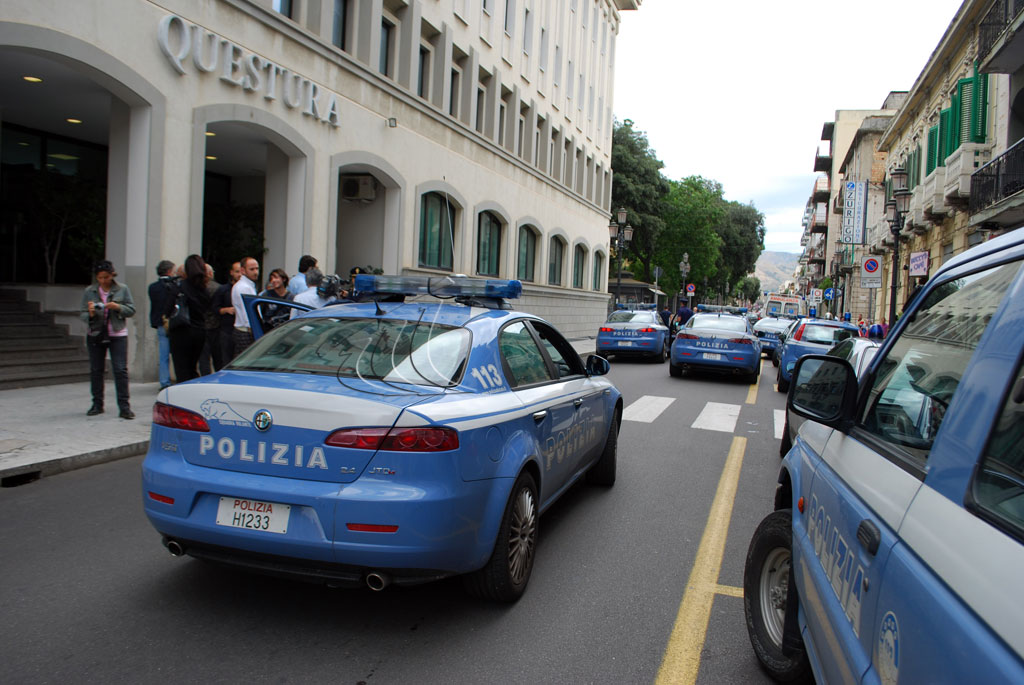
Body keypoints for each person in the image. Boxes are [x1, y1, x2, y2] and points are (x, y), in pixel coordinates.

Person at [80, 260, 136, 419]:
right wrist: (90, 314)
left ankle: (124, 407)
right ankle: (97, 404)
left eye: (106, 277)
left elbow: (131, 310)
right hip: (95, 333)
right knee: (96, 370)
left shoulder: (122, 289)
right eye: (100, 277)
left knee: (120, 370)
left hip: (117, 333)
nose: (103, 280)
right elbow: (82, 313)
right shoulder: (90, 291)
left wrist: (117, 307)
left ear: (112, 275)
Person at [165, 254, 213, 383]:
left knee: (181, 369)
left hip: (181, 331)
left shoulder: (179, 287)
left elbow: (167, 309)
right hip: (199, 332)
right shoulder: (205, 290)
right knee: (192, 367)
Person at [147, 259, 175, 389]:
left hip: (159, 322)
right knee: (176, 353)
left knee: (163, 354)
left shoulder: (153, 287)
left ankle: (164, 381)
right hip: (173, 322)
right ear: (169, 271)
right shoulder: (173, 286)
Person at [212, 261, 240, 369]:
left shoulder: (246, 288)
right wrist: (226, 310)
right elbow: (214, 309)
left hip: (241, 329)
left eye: (241, 271)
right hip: (227, 329)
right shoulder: (223, 290)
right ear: (231, 272)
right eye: (236, 271)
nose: (239, 274)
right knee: (226, 358)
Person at [231, 256, 260, 356]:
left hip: (245, 331)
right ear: (243, 270)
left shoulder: (247, 285)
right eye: (252, 269)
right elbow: (247, 314)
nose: (255, 272)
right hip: (246, 332)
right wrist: (255, 331)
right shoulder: (244, 287)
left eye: (257, 268)